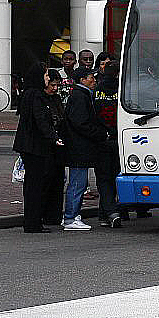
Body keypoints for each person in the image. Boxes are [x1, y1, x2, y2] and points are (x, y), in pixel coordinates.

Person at [12, 63, 63, 233]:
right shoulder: (35, 96)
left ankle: (33, 220)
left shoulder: (29, 94)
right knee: (35, 185)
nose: (47, 79)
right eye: (46, 75)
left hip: (30, 145)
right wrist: (53, 137)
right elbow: (40, 120)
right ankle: (33, 222)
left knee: (33, 184)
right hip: (34, 146)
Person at [62, 68, 111, 230]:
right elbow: (80, 123)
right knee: (78, 184)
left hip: (80, 146)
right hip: (79, 147)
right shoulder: (80, 96)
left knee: (78, 183)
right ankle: (71, 217)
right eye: (91, 77)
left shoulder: (82, 95)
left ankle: (72, 215)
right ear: (82, 80)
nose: (94, 80)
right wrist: (99, 133)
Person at [93, 62, 125, 227]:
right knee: (114, 176)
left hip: (101, 139)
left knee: (104, 179)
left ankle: (106, 213)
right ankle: (112, 212)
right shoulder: (123, 90)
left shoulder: (96, 90)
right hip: (118, 138)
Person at [41, 69, 68, 226]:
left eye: (57, 85)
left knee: (57, 181)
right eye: (52, 85)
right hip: (47, 146)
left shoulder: (56, 99)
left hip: (58, 146)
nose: (55, 88)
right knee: (46, 180)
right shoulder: (40, 99)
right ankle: (45, 213)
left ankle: (54, 214)